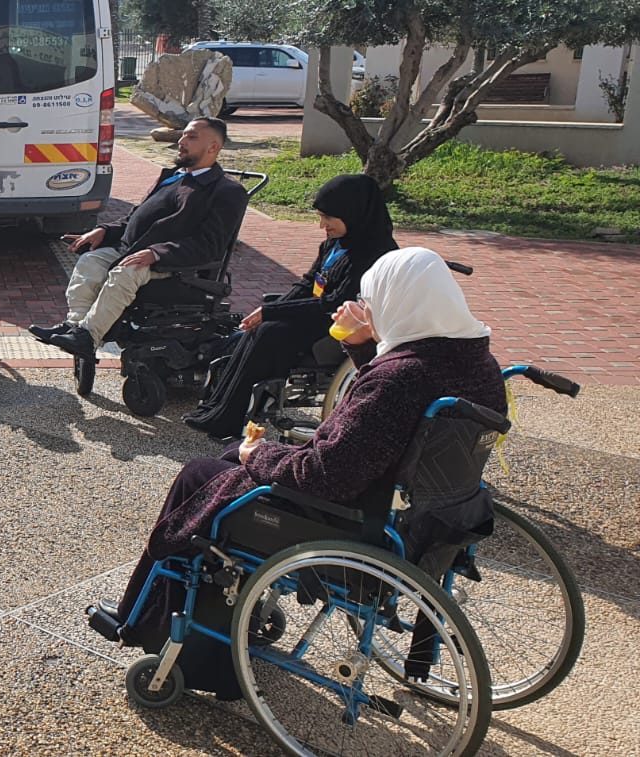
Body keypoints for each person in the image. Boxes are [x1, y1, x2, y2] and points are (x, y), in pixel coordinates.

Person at [88, 247, 505, 699]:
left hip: (351, 520)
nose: (368, 310)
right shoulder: (475, 361)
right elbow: (392, 423)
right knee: (226, 462)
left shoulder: (399, 379)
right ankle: (224, 614)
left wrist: (257, 454)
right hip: (426, 519)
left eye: (372, 302)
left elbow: (326, 474)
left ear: (398, 302)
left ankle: (159, 630)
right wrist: (363, 345)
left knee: (199, 476)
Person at [183, 173, 399, 438]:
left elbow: (335, 301)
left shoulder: (373, 252)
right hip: (318, 312)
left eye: (328, 218)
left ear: (352, 214)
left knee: (270, 331)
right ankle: (216, 408)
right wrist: (269, 311)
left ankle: (228, 418)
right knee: (258, 325)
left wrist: (272, 312)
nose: (322, 225)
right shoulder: (335, 244)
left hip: (341, 322)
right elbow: (308, 283)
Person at [29, 118, 249, 359]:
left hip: (175, 265)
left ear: (213, 147)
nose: (181, 141)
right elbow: (134, 218)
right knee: (91, 261)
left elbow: (209, 245)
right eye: (183, 135)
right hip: (133, 250)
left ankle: (88, 336)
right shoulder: (173, 177)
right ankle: (75, 327)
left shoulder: (226, 191)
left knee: (127, 271)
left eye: (191, 137)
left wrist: (157, 254)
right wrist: (104, 230)